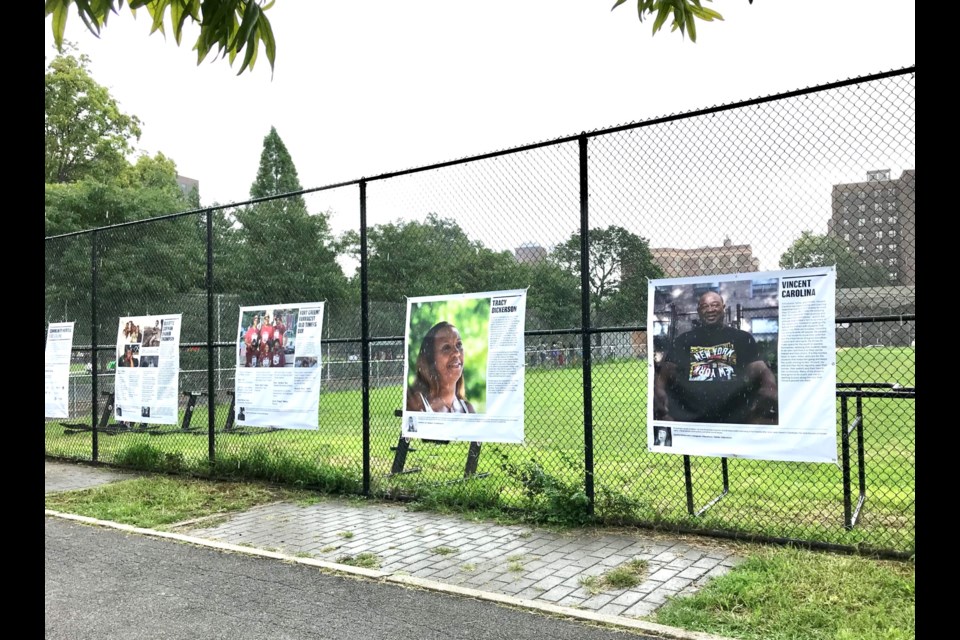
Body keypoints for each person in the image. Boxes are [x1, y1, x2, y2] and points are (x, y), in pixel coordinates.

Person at [653, 290, 778, 425]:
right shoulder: (683, 340)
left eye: (715, 305)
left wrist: (769, 385)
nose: (710, 309)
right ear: (699, 311)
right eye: (705, 306)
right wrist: (659, 390)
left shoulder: (741, 338)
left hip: (733, 414)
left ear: (723, 308)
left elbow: (760, 368)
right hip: (692, 416)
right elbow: (666, 372)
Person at [406, 321, 476, 413]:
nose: (457, 352)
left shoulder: (468, 409)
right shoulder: (417, 407)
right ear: (430, 359)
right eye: (446, 347)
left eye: (459, 344)